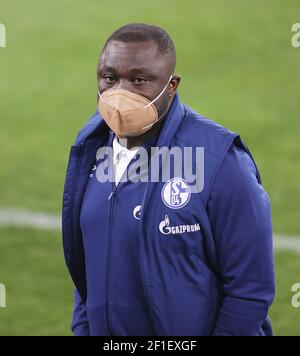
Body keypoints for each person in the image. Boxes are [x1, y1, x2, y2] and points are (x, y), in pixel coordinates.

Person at [62, 23, 275, 336]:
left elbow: (250, 290)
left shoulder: (219, 161)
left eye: (139, 80)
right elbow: (87, 269)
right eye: (110, 78)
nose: (121, 93)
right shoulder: (90, 149)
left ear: (171, 85)